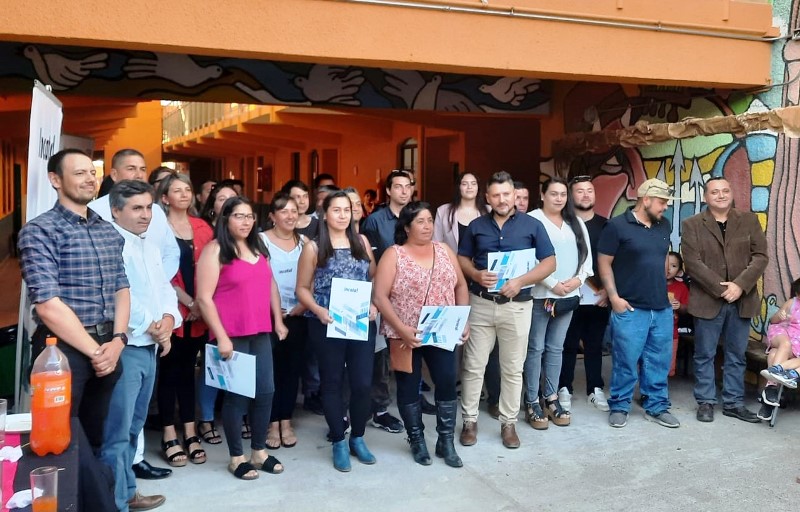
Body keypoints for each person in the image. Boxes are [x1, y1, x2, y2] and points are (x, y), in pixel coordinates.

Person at [18, 149, 128, 510]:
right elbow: (47, 304)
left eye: (91, 173)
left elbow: (122, 288)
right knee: (59, 445)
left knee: (94, 440)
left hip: (109, 347)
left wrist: (118, 341)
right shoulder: (39, 231)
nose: (89, 179)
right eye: (79, 173)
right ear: (55, 180)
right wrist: (96, 351)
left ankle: (95, 500)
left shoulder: (107, 230)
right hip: (61, 354)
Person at [89, 148, 179, 481]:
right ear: (116, 211)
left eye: (149, 208)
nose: (145, 215)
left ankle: (127, 492)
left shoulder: (149, 245)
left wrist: (168, 320)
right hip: (126, 345)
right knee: (118, 431)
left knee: (135, 425)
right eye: (137, 208)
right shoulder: (110, 245)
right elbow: (118, 297)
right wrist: (151, 325)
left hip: (151, 345)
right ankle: (115, 499)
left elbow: (164, 288)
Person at [458, 171, 556, 449]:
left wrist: (521, 281)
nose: (502, 200)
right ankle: (469, 421)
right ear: (487, 198)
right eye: (496, 195)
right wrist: (475, 274)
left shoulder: (532, 225)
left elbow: (550, 262)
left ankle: (508, 423)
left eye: (506, 194)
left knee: (513, 368)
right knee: (473, 365)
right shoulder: (476, 226)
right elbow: (461, 257)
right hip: (481, 303)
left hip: (517, 305)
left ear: (514, 195)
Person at [196, 196, 288, 480]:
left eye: (249, 216)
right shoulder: (215, 250)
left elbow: (270, 284)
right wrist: (221, 336)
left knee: (266, 391)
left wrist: (278, 320)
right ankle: (237, 457)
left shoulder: (258, 247)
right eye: (239, 216)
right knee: (237, 396)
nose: (246, 221)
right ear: (225, 219)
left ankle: (259, 451)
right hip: (232, 334)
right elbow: (204, 298)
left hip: (260, 330)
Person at [374, 201, 469, 468]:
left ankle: (446, 441)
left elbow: (461, 285)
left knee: (447, 381)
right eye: (420, 221)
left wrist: (463, 319)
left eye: (430, 221)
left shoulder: (444, 250)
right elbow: (380, 296)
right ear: (407, 227)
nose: (427, 226)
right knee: (408, 385)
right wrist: (401, 329)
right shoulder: (394, 254)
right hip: (405, 333)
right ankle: (416, 440)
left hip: (442, 331)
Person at [296, 190, 379, 472]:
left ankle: (358, 437)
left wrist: (373, 304)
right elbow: (301, 288)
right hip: (327, 322)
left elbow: (373, 277)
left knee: (362, 383)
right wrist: (318, 310)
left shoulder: (361, 241)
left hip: (360, 320)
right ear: (324, 214)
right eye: (336, 210)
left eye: (347, 210)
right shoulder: (313, 247)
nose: (343, 215)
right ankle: (338, 439)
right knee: (331, 382)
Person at [681, 176, 768, 424]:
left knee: (737, 355)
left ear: (731, 193)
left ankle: (733, 403)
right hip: (708, 299)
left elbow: (760, 256)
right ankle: (706, 402)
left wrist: (740, 285)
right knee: (704, 354)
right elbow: (692, 262)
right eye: (715, 192)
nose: (721, 195)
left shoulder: (749, 220)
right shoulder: (692, 224)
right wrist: (722, 289)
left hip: (742, 299)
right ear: (705, 197)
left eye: (725, 191)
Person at [598, 178, 680, 429]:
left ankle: (656, 406)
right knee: (625, 360)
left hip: (661, 307)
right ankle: (619, 405)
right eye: (662, 202)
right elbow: (604, 263)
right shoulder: (616, 226)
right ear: (646, 200)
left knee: (659, 361)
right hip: (630, 307)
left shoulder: (663, 225)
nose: (665, 207)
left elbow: (662, 258)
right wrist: (614, 298)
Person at [156, 173, 216, 461]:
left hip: (200, 310)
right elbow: (158, 271)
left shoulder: (202, 226)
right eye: (176, 190)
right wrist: (188, 302)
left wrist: (199, 304)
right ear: (164, 198)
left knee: (189, 372)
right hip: (172, 309)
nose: (184, 194)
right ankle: (169, 434)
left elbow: (214, 266)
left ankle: (190, 432)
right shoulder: (157, 228)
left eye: (187, 190)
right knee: (169, 371)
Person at [524, 177, 592, 430]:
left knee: (556, 348)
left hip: (568, 296)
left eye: (563, 194)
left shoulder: (576, 222)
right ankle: (532, 400)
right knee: (535, 348)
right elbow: (529, 259)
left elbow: (586, 256)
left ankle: (551, 397)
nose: (559, 198)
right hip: (540, 295)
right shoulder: (532, 220)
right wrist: (552, 283)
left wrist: (578, 280)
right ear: (542, 195)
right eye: (554, 193)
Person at [362, 170, 414, 434]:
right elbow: (369, 263)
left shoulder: (416, 216)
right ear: (389, 191)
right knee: (379, 354)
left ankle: (411, 401)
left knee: (409, 349)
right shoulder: (374, 221)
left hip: (410, 295)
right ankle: (377, 408)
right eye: (398, 186)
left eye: (408, 186)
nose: (404, 191)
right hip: (382, 295)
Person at [558, 175, 611, 413]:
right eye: (580, 191)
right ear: (571, 196)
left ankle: (595, 388)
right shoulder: (563, 224)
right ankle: (563, 387)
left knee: (594, 344)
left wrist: (609, 291)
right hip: (568, 294)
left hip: (598, 296)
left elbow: (614, 261)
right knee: (567, 343)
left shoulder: (606, 225)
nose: (586, 194)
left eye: (590, 190)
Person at [259, 193, 308, 450]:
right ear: (272, 216)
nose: (290, 216)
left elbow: (312, 278)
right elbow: (260, 279)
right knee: (270, 371)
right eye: (284, 211)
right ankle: (271, 422)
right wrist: (274, 310)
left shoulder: (306, 243)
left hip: (298, 314)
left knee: (291, 370)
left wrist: (302, 307)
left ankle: (286, 421)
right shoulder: (260, 241)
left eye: (294, 211)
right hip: (267, 316)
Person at [196, 179, 242, 439]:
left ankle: (236, 416)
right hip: (211, 306)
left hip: (238, 310)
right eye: (221, 198)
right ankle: (206, 418)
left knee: (237, 365)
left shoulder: (245, 234)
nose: (227, 202)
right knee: (213, 365)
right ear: (212, 205)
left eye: (231, 197)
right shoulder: (204, 232)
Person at [280, 180, 321, 414]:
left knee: (310, 352)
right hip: (282, 304)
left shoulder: (317, 227)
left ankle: (311, 394)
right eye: (296, 197)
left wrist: (305, 303)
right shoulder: (270, 235)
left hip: (308, 302)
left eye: (305, 196)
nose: (301, 201)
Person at [758, 277, 800, 420]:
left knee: (774, 353)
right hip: (783, 334)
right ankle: (776, 374)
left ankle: (770, 394)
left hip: (797, 343)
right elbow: (773, 320)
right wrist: (780, 315)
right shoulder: (792, 303)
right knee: (785, 345)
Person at [433, 171, 487, 254]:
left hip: (481, 261)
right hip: (451, 261)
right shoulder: (443, 211)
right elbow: (436, 244)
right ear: (458, 187)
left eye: (473, 183)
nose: (469, 187)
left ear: (478, 187)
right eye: (465, 184)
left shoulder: (489, 211)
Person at [666, 251, 689, 377]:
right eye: (665, 264)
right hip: (650, 332)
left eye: (673, 266)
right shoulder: (653, 284)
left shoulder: (681, 287)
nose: (668, 268)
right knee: (649, 363)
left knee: (668, 366)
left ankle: (661, 386)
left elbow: (686, 308)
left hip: (671, 332)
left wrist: (679, 306)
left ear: (679, 271)